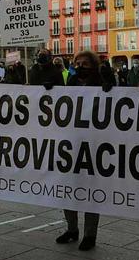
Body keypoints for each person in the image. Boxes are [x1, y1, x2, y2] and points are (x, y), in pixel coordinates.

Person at [57, 51, 110, 251]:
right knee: (68, 188)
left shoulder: (101, 82)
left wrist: (111, 90)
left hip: (94, 144)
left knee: (90, 191)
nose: (80, 66)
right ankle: (72, 229)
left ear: (94, 66)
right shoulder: (70, 82)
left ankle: (90, 234)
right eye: (77, 63)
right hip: (71, 142)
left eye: (85, 63)